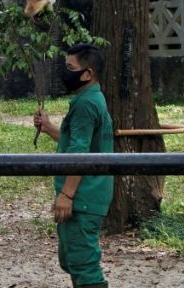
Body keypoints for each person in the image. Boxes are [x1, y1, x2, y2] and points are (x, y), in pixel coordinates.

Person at [33, 43, 113, 288]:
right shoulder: (90, 98)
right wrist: (48, 129)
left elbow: (80, 154)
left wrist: (67, 195)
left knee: (84, 266)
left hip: (82, 197)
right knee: (72, 260)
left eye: (70, 67)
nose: (65, 72)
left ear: (87, 74)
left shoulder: (85, 104)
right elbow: (81, 145)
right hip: (87, 194)